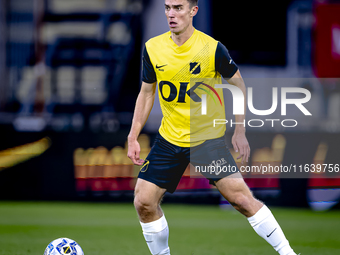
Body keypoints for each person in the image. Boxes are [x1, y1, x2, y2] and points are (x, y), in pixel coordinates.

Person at [127, 0, 298, 254]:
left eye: (178, 8)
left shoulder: (212, 49)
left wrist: (240, 130)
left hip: (207, 141)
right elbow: (146, 93)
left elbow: (238, 86)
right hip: (169, 140)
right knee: (143, 201)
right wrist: (133, 135)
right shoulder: (153, 48)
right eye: (167, 8)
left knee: (241, 200)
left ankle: (288, 253)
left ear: (193, 11)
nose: (171, 14)